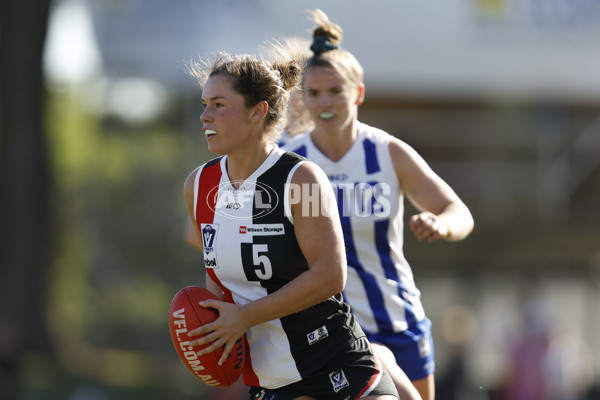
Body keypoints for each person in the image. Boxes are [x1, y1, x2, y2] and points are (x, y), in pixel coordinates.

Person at [182, 44, 399, 400]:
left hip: (336, 364)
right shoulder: (198, 185)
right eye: (204, 104)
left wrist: (245, 316)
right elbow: (218, 286)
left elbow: (330, 275)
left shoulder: (301, 179)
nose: (205, 116)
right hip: (269, 381)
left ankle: (386, 363)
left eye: (219, 105)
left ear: (258, 112)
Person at [284, 9, 475, 400]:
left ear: (358, 93)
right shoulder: (287, 161)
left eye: (335, 91)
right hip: (328, 331)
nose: (324, 102)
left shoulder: (388, 153)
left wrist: (442, 225)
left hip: (396, 318)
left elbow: (459, 212)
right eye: (314, 93)